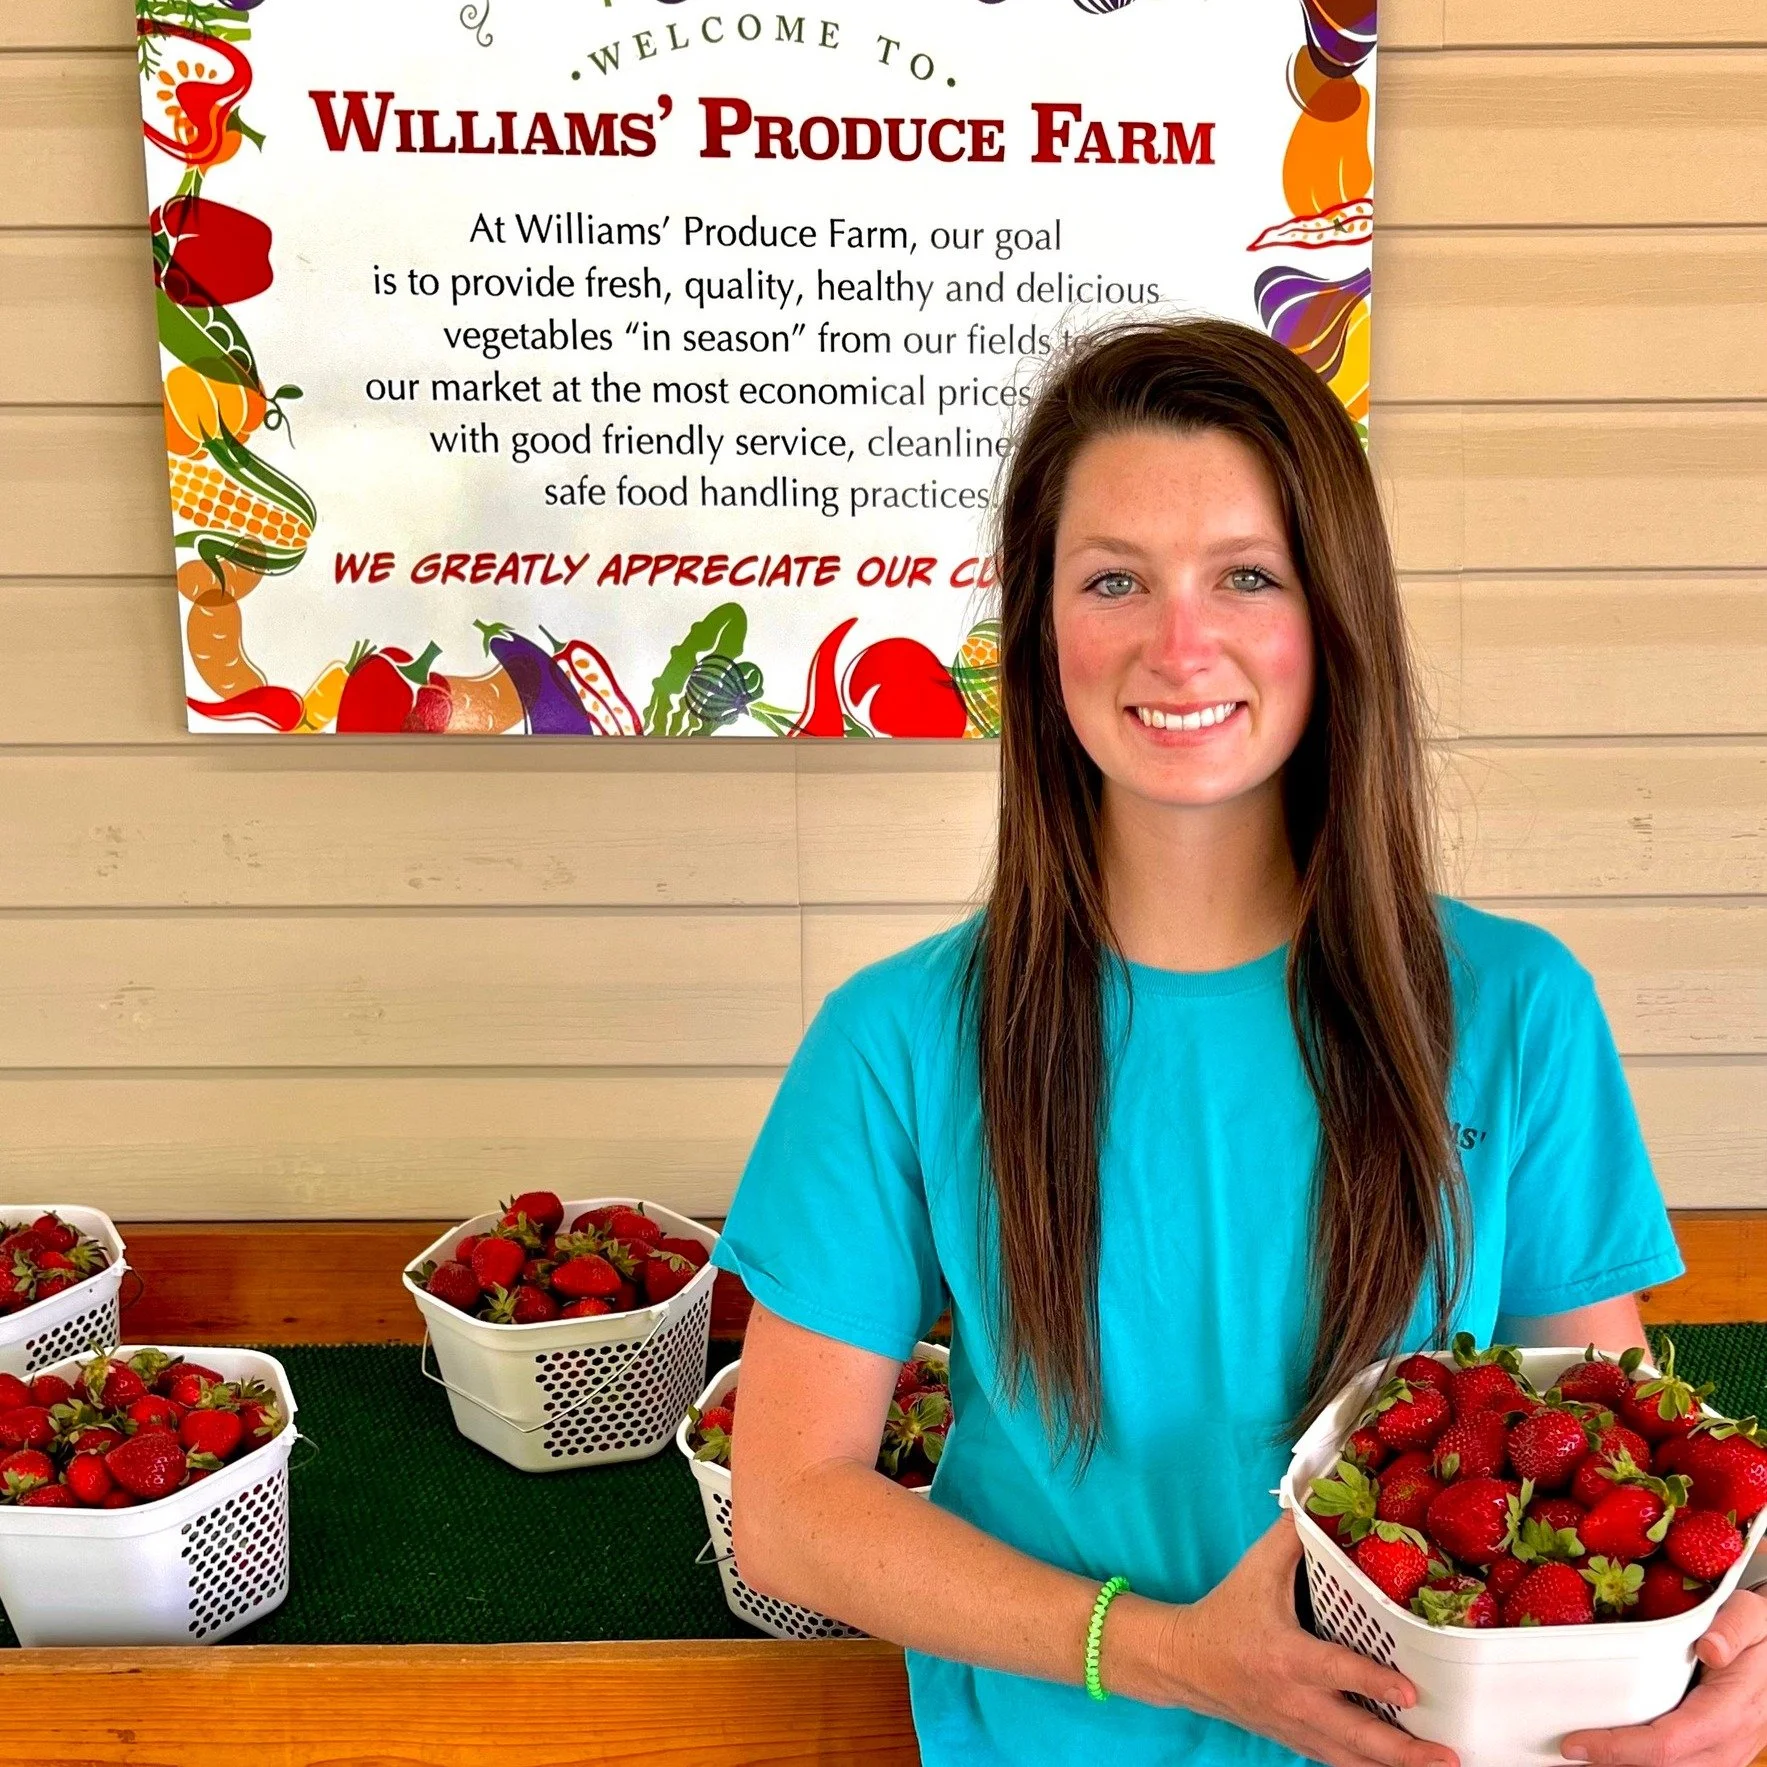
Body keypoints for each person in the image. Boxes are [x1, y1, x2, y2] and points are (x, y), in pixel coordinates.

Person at [707, 319, 1767, 1767]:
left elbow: (1608, 1457)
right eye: (1113, 580)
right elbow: (790, 1508)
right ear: (1039, 628)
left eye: (1246, 576)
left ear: (1330, 616)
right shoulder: (895, 1040)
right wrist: (1170, 1657)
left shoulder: (1515, 1004)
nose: (1177, 643)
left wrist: (1720, 1643)